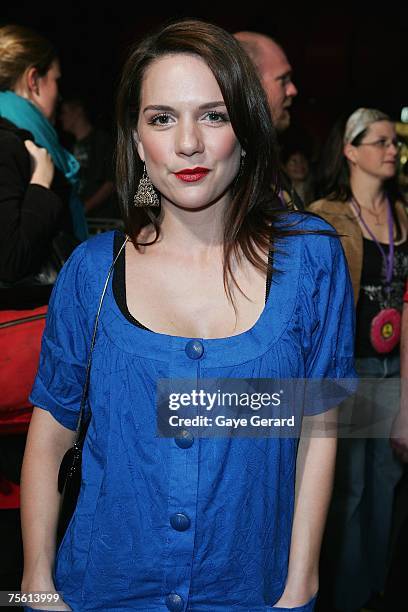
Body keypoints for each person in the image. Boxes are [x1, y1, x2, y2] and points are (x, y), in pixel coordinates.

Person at [20, 20, 355, 611]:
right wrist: (38, 585)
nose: (188, 144)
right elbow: (50, 435)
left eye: (214, 115)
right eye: (162, 118)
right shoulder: (91, 271)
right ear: (136, 138)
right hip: (101, 590)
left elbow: (319, 428)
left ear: (246, 130)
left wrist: (300, 584)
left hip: (251, 592)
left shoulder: (311, 257)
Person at [0, 24, 87, 594]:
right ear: (34, 80)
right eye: (54, 83)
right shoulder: (13, 141)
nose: (57, 97)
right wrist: (41, 183)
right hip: (20, 363)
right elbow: (8, 259)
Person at [310, 108, 408, 611]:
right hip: (348, 370)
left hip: (394, 369)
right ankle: (344, 598)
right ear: (350, 149)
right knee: (346, 490)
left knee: (386, 487)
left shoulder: (403, 213)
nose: (393, 150)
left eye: (396, 142)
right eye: (381, 141)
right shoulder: (325, 215)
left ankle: (374, 592)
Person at [233, 31, 303, 211]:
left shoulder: (264, 162)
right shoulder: (227, 171)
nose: (292, 90)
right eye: (283, 79)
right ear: (250, 85)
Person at [60, 97, 118, 219]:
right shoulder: (68, 146)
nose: (61, 117)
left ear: (78, 111)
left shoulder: (102, 141)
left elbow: (112, 181)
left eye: (64, 112)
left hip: (100, 219)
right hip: (80, 218)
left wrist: (85, 207)